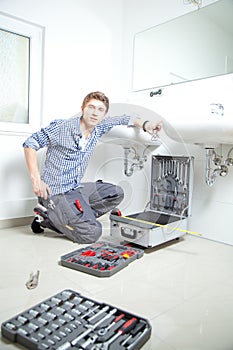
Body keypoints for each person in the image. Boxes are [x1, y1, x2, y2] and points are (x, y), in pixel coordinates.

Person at [23, 91, 162, 243]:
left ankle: (67, 217)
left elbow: (123, 118)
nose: (95, 113)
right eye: (91, 107)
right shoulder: (63, 127)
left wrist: (146, 124)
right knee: (92, 233)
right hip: (56, 192)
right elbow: (31, 143)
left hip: (75, 188)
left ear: (104, 114)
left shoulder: (99, 128)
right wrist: (36, 179)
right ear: (83, 108)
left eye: (100, 109)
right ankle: (49, 217)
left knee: (116, 193)